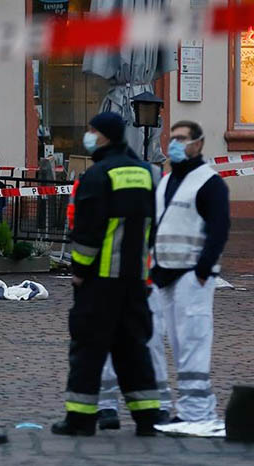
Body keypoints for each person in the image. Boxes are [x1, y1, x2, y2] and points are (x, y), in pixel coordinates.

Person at [52, 112, 160, 437]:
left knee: (88, 349)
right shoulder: (147, 173)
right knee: (134, 348)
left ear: (105, 136)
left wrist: (80, 271)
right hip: (135, 279)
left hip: (100, 281)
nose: (88, 135)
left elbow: (87, 232)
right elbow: (155, 225)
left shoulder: (98, 175)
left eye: (92, 131)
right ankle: (147, 417)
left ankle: (80, 419)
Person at [151, 120, 230, 424]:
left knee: (193, 345)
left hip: (192, 276)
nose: (175, 144)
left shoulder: (209, 182)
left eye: (182, 139)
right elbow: (158, 225)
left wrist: (203, 270)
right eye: (172, 138)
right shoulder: (166, 179)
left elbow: (219, 229)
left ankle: (196, 412)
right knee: (169, 340)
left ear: (198, 143)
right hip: (164, 274)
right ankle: (179, 409)